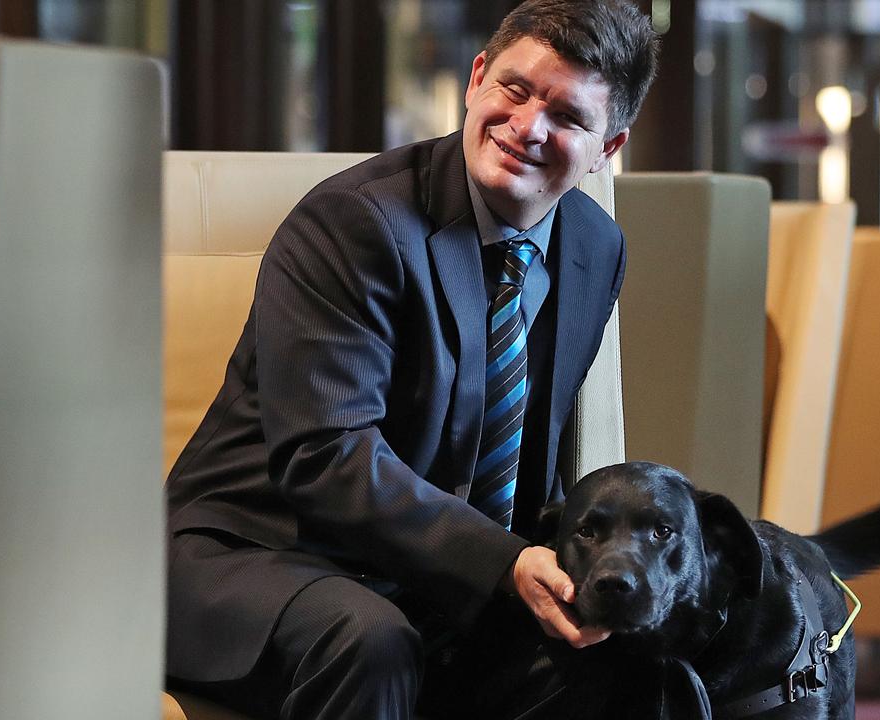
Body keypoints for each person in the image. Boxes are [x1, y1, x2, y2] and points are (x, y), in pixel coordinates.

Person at [164, 2, 660, 718]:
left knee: (629, 655)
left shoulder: (594, 247)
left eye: (567, 116)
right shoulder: (355, 223)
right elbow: (326, 457)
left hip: (427, 572)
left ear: (607, 147)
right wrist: (501, 563)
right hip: (254, 554)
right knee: (372, 640)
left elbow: (530, 463)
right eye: (515, 90)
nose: (528, 127)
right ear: (477, 77)